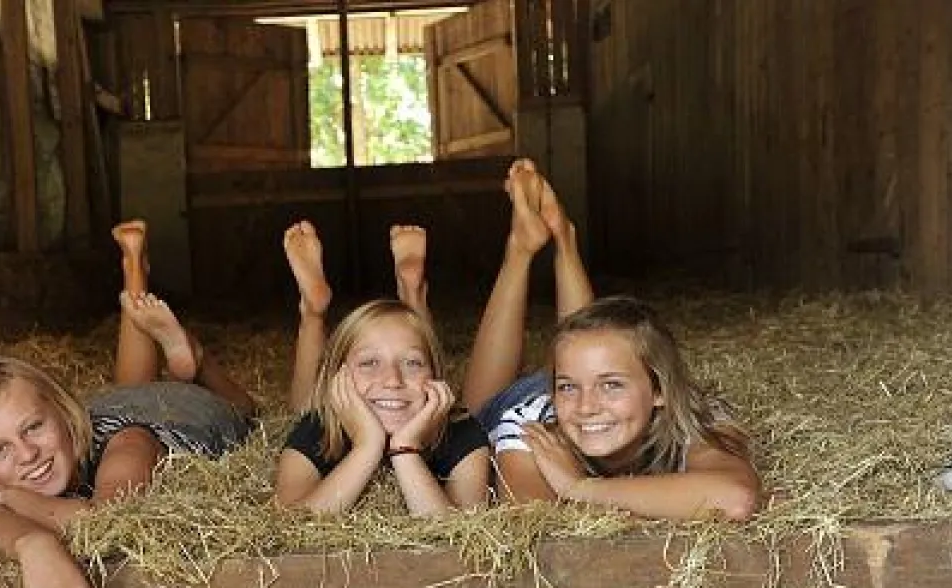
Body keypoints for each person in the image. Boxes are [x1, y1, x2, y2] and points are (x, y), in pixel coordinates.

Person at [0, 220, 258, 588]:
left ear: (63, 410)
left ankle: (195, 360)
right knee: (128, 388)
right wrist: (31, 545)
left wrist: (10, 498)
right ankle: (134, 272)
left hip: (184, 413)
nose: (28, 455)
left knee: (244, 407)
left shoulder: (129, 445)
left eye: (33, 428)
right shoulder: (62, 437)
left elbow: (105, 520)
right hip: (121, 404)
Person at [463, 160, 761, 521]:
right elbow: (540, 524)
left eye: (612, 386)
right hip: (539, 403)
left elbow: (735, 499)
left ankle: (563, 237)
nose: (588, 406)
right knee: (475, 415)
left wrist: (581, 489)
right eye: (568, 387)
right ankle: (521, 250)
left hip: (572, 382)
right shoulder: (530, 430)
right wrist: (665, 504)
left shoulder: (692, 417)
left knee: (590, 346)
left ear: (659, 391)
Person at [273, 220, 490, 516]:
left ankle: (413, 296)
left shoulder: (463, 433)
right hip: (325, 405)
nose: (392, 380)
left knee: (411, 336)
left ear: (435, 377)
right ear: (339, 378)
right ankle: (313, 311)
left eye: (412, 364)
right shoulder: (317, 429)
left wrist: (405, 449)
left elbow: (462, 536)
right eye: (369, 363)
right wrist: (367, 446)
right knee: (304, 406)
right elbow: (290, 522)